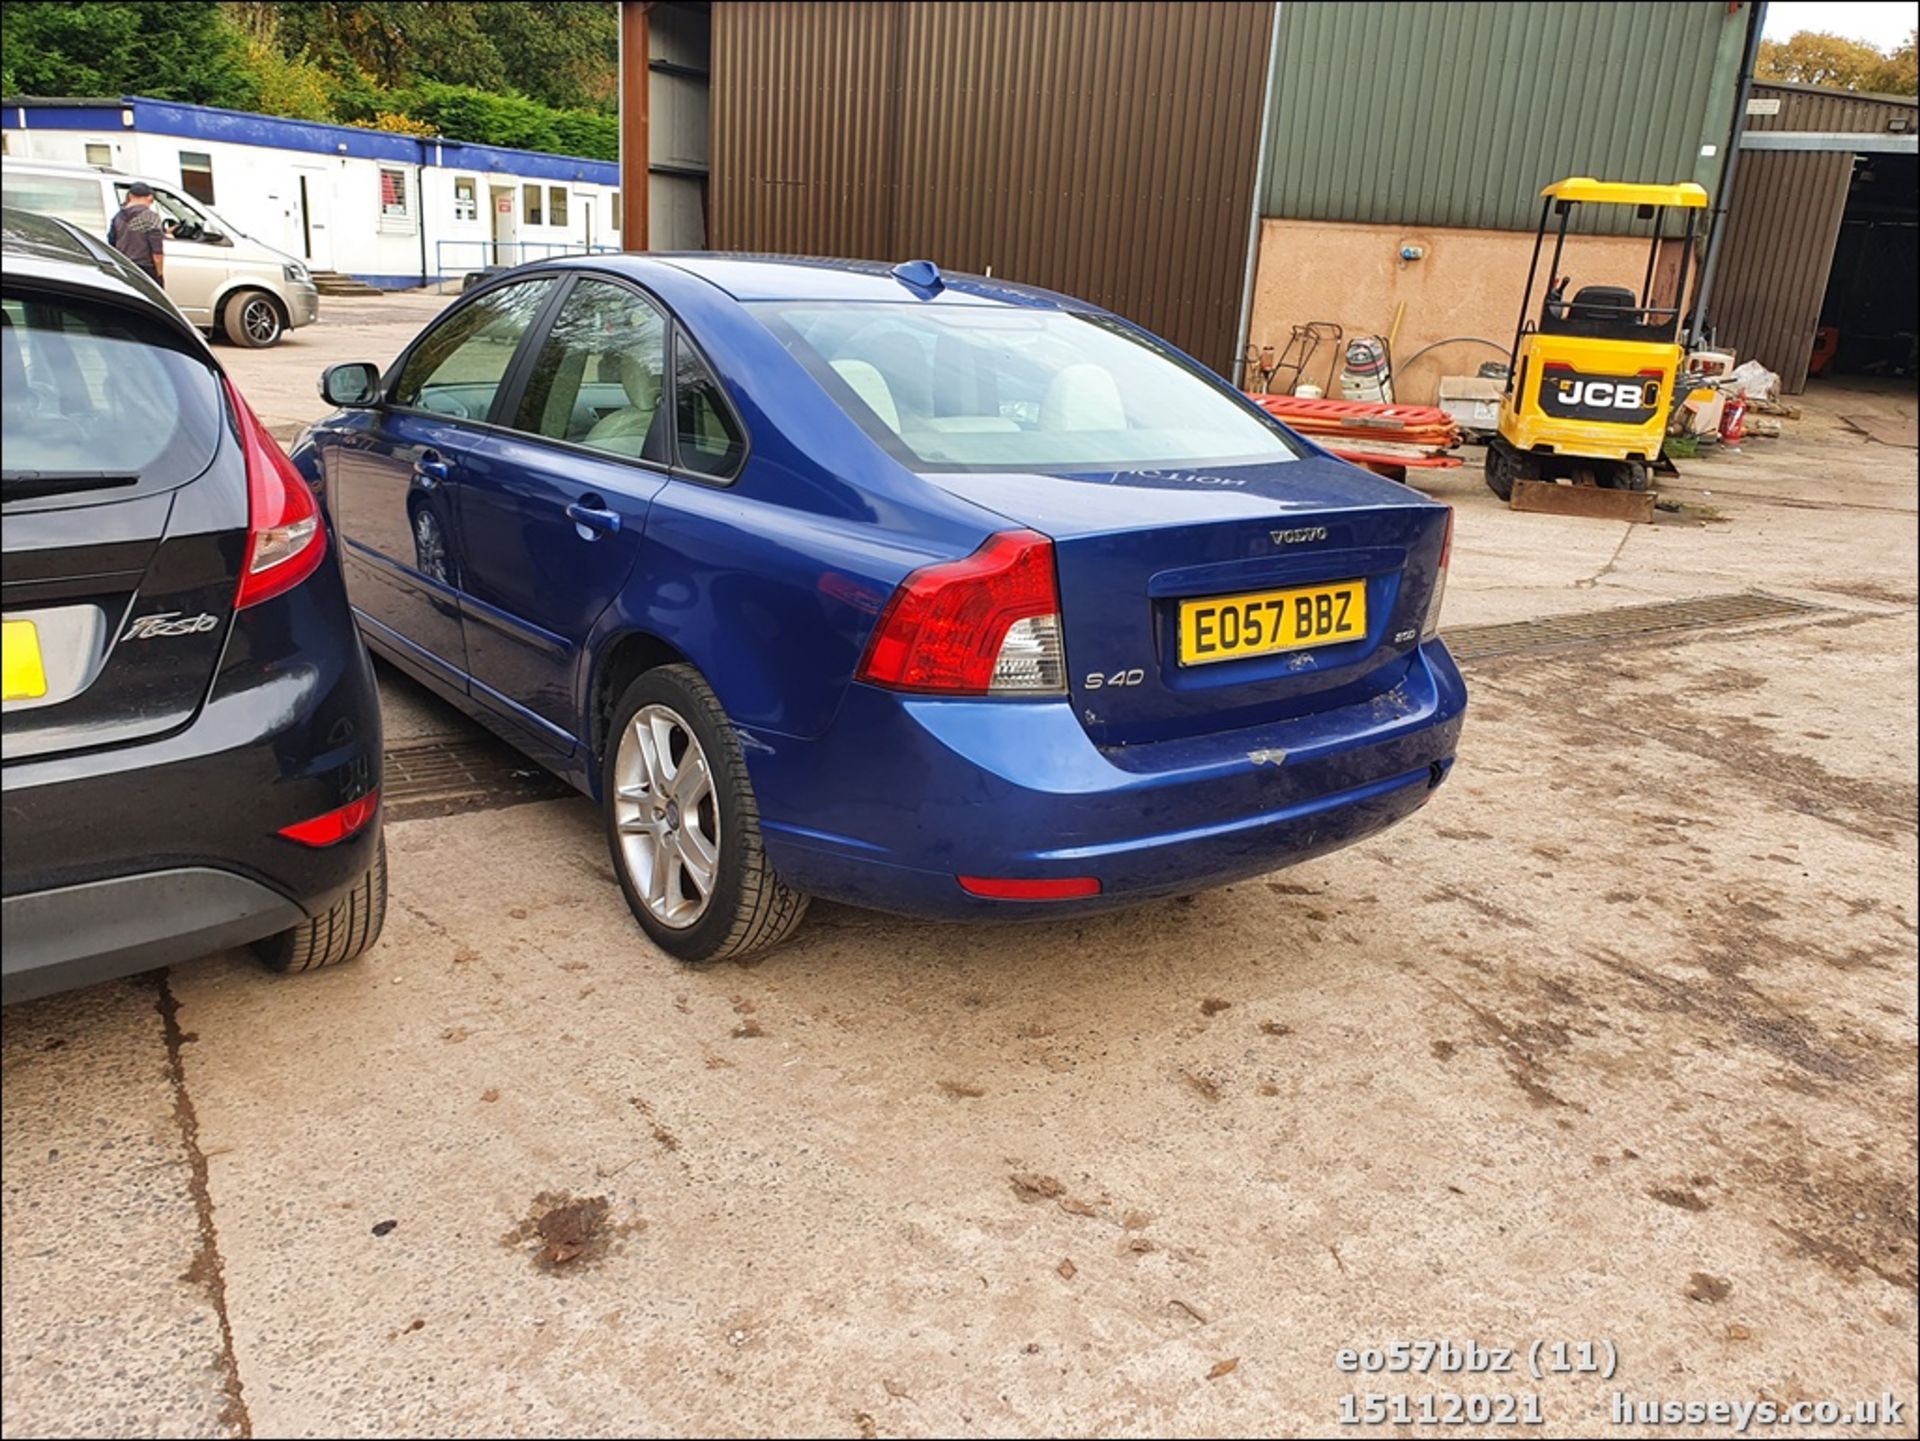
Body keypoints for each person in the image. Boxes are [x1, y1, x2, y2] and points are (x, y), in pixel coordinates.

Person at [107, 182, 166, 288]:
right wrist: (159, 275)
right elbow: (157, 252)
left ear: (130, 196)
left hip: (125, 267)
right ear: (149, 198)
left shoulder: (118, 217)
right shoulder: (150, 217)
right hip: (145, 269)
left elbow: (111, 243)